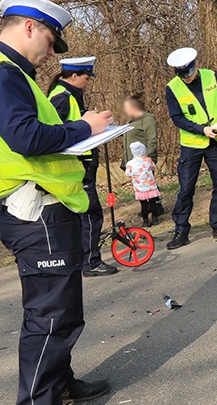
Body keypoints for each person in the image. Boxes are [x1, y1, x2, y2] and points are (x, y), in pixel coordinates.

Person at [0, 0, 114, 405]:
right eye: (51, 40)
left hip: (46, 207)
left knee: (62, 310)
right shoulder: (0, 74)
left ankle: (61, 384)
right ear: (29, 27)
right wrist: (85, 129)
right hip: (36, 211)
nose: (53, 52)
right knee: (50, 315)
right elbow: (26, 137)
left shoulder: (12, 73)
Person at [48, 57, 119, 277]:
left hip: (81, 164)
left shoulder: (69, 95)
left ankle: (80, 261)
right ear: (75, 76)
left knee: (81, 216)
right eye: (87, 78)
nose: (89, 82)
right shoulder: (61, 97)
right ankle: (90, 262)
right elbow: (55, 132)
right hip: (76, 166)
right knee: (90, 214)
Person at [164, 47, 217, 249]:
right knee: (186, 188)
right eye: (182, 75)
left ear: (196, 65)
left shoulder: (212, 76)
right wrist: (201, 129)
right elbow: (177, 118)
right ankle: (181, 230)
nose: (186, 78)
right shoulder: (172, 88)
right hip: (192, 144)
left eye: (188, 73)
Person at [121, 93, 163, 221]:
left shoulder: (147, 119)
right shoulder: (132, 120)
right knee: (141, 186)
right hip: (134, 161)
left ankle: (156, 208)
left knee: (149, 184)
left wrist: (147, 160)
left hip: (144, 161)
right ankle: (147, 208)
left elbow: (152, 140)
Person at [125, 141, 161, 227]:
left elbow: (128, 174)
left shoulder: (130, 164)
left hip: (140, 188)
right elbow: (153, 167)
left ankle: (145, 221)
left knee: (144, 205)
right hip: (151, 187)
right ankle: (155, 218)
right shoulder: (148, 160)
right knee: (153, 203)